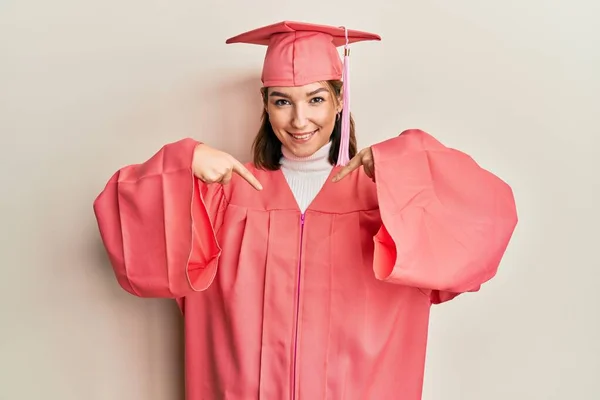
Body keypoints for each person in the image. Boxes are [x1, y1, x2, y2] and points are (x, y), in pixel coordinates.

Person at [93, 21, 518, 400]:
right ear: (266, 104)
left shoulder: (386, 199)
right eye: (282, 101)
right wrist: (184, 165)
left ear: (339, 101)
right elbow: (124, 228)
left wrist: (405, 166)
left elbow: (487, 221)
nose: (299, 120)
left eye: (315, 99)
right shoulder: (224, 198)